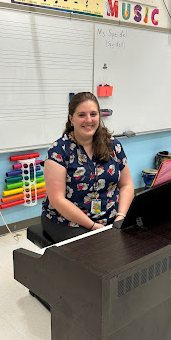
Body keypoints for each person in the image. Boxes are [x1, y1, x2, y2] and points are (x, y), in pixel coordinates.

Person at [41, 91, 134, 243]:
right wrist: (93, 226)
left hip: (110, 217)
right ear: (71, 119)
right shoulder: (59, 150)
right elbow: (57, 199)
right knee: (97, 251)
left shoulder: (113, 145)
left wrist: (121, 217)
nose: (89, 120)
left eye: (93, 114)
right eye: (82, 115)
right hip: (67, 221)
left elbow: (127, 185)